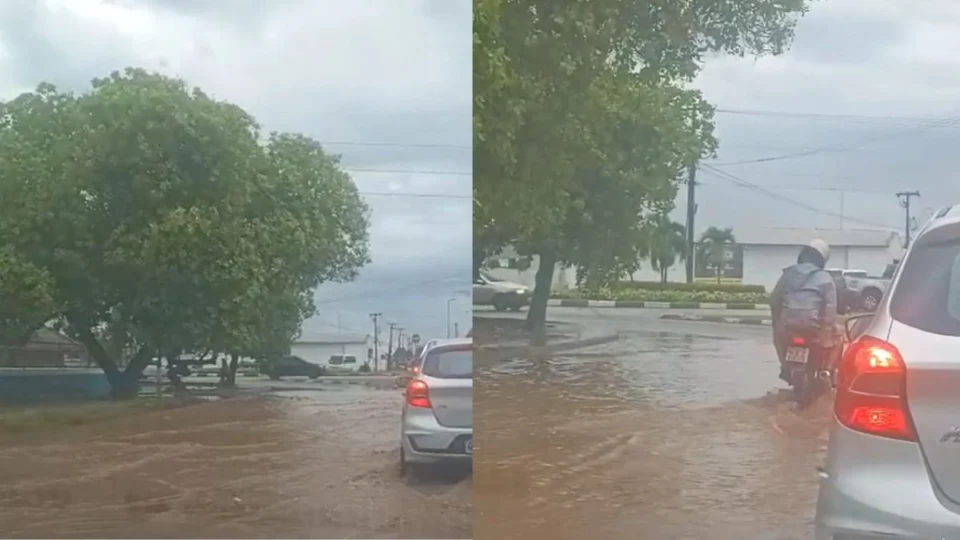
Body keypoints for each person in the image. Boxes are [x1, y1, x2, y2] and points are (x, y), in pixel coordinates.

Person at [770, 239, 841, 382]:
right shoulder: (825, 278)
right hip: (812, 326)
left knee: (777, 338)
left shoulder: (787, 275)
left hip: (788, 325)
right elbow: (830, 306)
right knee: (839, 338)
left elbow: (774, 300)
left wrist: (777, 322)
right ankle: (826, 372)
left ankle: (785, 368)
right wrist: (827, 328)